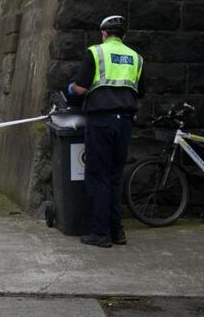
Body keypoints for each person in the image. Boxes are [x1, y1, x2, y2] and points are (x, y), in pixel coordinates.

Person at [66, 15, 145, 248]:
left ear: (103, 33)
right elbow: (140, 91)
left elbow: (80, 88)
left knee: (97, 176)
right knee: (114, 177)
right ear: (123, 35)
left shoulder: (95, 53)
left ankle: (100, 234)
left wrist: (70, 88)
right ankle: (117, 232)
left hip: (101, 121)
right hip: (125, 122)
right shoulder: (136, 58)